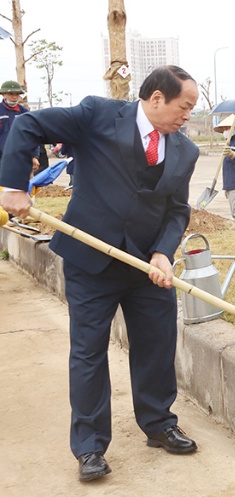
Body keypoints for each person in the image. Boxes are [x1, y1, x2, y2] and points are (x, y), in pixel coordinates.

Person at [0, 65, 202, 482]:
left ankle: (159, 422)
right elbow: (30, 125)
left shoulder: (185, 150)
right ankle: (90, 446)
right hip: (91, 261)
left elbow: (177, 209)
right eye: (185, 106)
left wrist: (164, 253)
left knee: (157, 344)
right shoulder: (97, 114)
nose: (188, 116)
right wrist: (14, 185)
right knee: (89, 351)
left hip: (147, 266)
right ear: (157, 98)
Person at [0, 80, 39, 173]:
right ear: (3, 94)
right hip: (2, 158)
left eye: (17, 94)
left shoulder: (24, 113)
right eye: (11, 94)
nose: (14, 97)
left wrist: (34, 156)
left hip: (21, 158)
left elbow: (33, 135)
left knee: (18, 186)